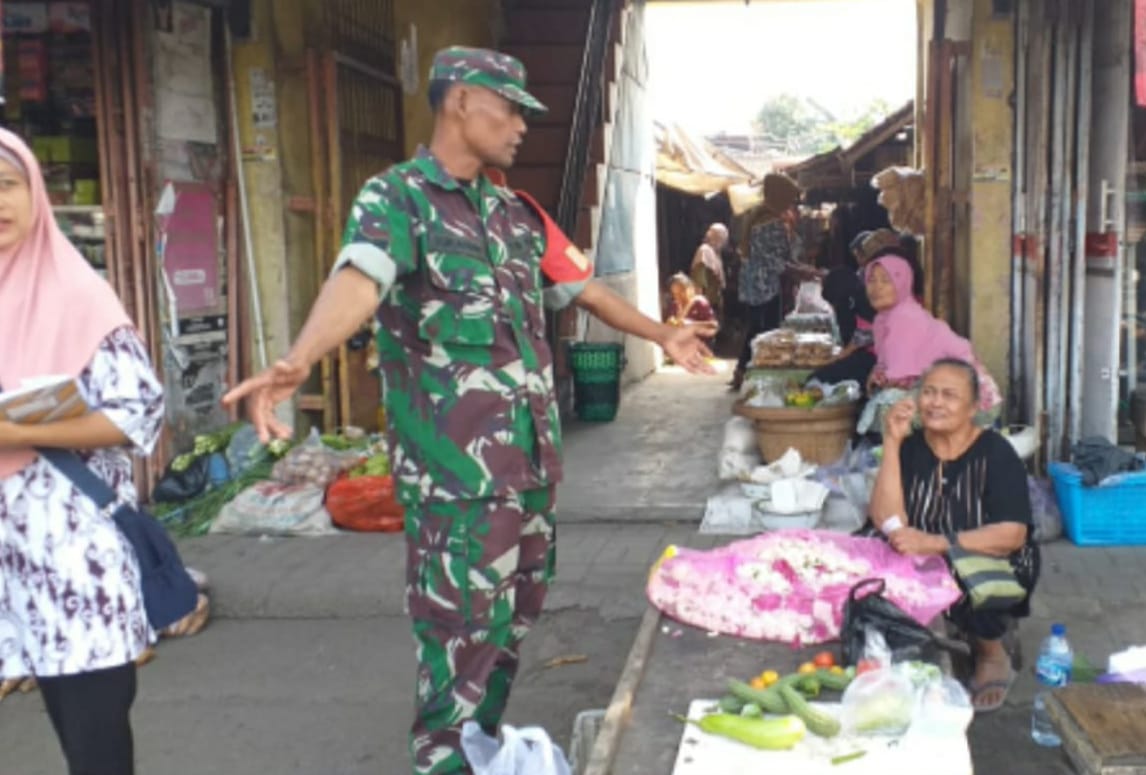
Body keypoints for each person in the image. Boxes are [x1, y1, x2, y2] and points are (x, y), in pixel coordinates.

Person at [222, 46, 716, 775]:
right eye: (510, 108)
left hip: (530, 471)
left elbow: (581, 287)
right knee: (457, 638)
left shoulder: (518, 214)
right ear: (460, 100)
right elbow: (361, 278)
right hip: (456, 483)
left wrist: (662, 331)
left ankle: (480, 752)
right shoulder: (399, 200)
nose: (521, 125)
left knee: (510, 625)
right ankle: (445, 761)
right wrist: (299, 358)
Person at [0, 129, 165, 775]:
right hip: (11, 569)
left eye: (8, 184)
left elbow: (137, 410)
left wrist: (14, 433)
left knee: (94, 742)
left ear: (34, 192)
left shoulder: (77, 293)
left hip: (74, 556)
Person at [868, 359, 1039, 713]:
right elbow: (887, 519)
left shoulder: (996, 453)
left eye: (949, 395)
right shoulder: (912, 447)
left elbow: (1013, 533)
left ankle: (991, 652)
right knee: (870, 552)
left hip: (992, 556)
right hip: (923, 549)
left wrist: (936, 543)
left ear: (974, 407)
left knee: (958, 567)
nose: (935, 402)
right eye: (928, 392)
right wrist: (892, 442)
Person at [856, 253, 1000, 434]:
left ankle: (914, 458)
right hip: (940, 390)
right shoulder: (883, 320)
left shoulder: (906, 317)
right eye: (871, 280)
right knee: (886, 406)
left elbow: (899, 378)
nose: (876, 288)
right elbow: (888, 367)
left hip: (976, 402)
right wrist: (877, 374)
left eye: (885, 281)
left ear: (902, 283)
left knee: (889, 411)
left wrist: (882, 381)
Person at [731, 173, 803, 391]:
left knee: (754, 329)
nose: (791, 203)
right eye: (789, 198)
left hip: (753, 286)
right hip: (767, 286)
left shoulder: (756, 216)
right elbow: (775, 259)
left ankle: (743, 372)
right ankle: (759, 374)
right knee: (766, 332)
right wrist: (801, 271)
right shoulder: (770, 222)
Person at [689, 223, 727, 322]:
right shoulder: (704, 252)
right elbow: (698, 282)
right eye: (722, 238)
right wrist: (701, 309)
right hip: (705, 307)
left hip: (714, 305)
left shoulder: (715, 254)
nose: (724, 243)